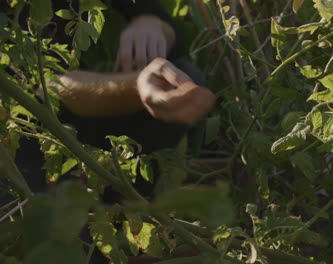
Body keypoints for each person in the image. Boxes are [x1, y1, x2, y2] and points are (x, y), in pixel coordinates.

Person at [1, 0, 215, 198]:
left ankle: (126, 206)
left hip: (71, 118)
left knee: (185, 74)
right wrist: (136, 86)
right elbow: (46, 86)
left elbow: (158, 18)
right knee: (47, 225)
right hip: (20, 127)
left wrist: (150, 22)